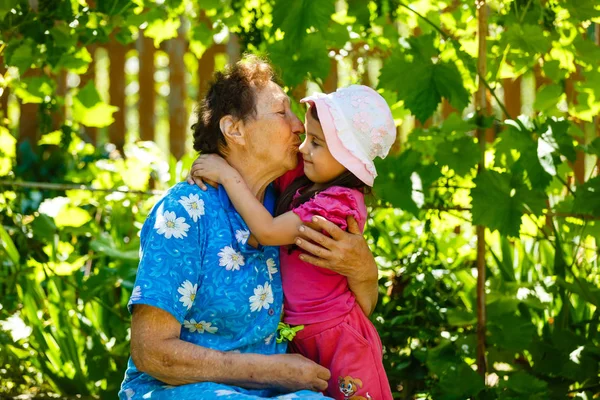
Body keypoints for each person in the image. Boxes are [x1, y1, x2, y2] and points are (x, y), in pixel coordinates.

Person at [119, 56, 380, 400]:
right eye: (281, 112)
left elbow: (354, 307)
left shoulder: (291, 205)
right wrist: (269, 370)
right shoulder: (185, 212)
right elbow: (151, 352)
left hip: (270, 391)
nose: (299, 126)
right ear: (235, 129)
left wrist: (364, 270)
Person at [189, 85, 395, 400]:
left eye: (316, 143)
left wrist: (228, 176)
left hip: (339, 335)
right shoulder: (310, 181)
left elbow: (268, 231)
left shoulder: (337, 204)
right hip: (303, 335)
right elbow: (258, 158)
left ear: (348, 157)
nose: (303, 149)